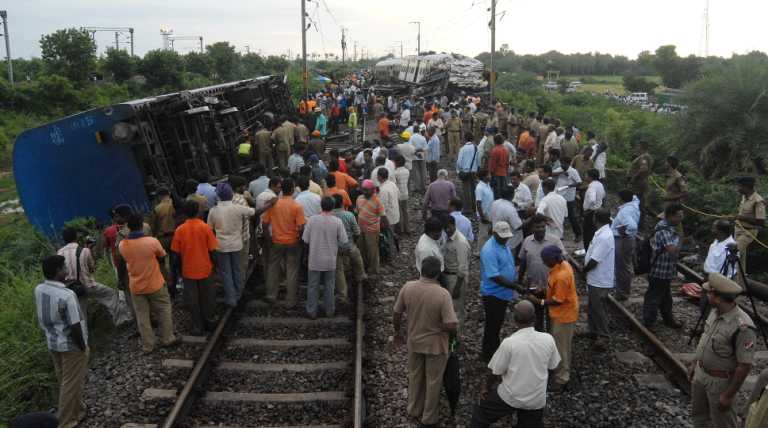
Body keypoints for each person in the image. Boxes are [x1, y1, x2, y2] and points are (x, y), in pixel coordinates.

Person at [470, 301, 561, 428]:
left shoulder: (510, 343)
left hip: (511, 396)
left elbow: (495, 372)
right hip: (536, 399)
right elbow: (553, 367)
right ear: (534, 318)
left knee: (481, 414)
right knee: (531, 422)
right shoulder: (548, 339)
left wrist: (486, 388)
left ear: (515, 320)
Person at [393, 256, 458, 427]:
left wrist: (397, 332)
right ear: (438, 273)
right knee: (433, 381)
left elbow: (397, 313)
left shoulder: (408, 287)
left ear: (421, 270)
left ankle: (414, 409)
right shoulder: (443, 294)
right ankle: (429, 417)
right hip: (436, 346)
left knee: (415, 376)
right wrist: (453, 339)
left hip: (414, 342)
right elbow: (451, 324)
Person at [688, 273, 756, 428]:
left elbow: (744, 365)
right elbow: (704, 339)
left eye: (709, 293)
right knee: (699, 418)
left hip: (719, 383)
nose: (706, 294)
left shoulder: (743, 327)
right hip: (701, 374)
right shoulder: (714, 312)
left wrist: (728, 395)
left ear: (718, 298)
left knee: (723, 423)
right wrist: (694, 364)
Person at [34, 255, 89, 428]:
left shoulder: (39, 289)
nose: (67, 270)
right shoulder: (67, 295)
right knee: (70, 384)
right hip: (71, 345)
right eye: (64, 268)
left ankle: (79, 411)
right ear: (58, 272)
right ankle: (65, 422)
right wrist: (82, 346)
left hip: (53, 343)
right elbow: (75, 325)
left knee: (67, 381)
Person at [118, 214, 178, 353]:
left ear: (128, 227)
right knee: (163, 309)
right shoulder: (152, 241)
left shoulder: (122, 245)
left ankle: (148, 346)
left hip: (136, 286)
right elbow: (162, 257)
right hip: (155, 283)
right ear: (142, 225)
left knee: (142, 316)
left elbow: (122, 261)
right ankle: (168, 338)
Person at [527, 245, 578, 392]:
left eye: (545, 260)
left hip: (564, 315)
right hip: (559, 313)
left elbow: (559, 300)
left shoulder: (562, 275)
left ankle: (562, 378)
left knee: (562, 347)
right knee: (558, 344)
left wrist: (539, 301)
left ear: (552, 259)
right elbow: (554, 289)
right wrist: (543, 291)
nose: (543, 263)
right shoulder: (561, 265)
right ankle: (556, 370)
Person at [171, 200, 219, 335]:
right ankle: (210, 321)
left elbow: (175, 254)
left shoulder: (179, 230)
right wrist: (216, 266)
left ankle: (197, 327)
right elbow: (213, 250)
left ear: (185, 213)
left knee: (193, 300)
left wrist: (179, 271)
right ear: (198, 211)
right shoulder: (205, 227)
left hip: (188, 271)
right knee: (208, 297)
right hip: (205, 269)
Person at [479, 222, 525, 362]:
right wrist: (515, 286)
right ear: (494, 234)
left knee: (497, 323)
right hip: (493, 294)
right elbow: (494, 276)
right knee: (492, 324)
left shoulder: (502, 243)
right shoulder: (489, 250)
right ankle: (489, 353)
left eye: (506, 236)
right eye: (502, 236)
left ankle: (493, 348)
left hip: (503, 293)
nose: (505, 239)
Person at [207, 183, 257, 307]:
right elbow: (253, 211)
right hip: (237, 245)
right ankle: (238, 294)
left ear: (218, 195)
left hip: (221, 246)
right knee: (238, 269)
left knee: (225, 272)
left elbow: (209, 229)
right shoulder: (237, 208)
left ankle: (231, 298)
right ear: (230, 195)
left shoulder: (213, 211)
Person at [262, 177, 307, 308]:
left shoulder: (274, 204)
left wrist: (268, 239)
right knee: (292, 269)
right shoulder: (297, 206)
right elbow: (301, 227)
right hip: (293, 241)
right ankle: (290, 300)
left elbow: (265, 224)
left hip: (276, 241)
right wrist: (299, 239)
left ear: (281, 189)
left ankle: (271, 295)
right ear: (293, 189)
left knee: (273, 267)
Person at [518, 215, 566, 331]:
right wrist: (519, 279)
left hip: (552, 287)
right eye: (537, 227)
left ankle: (550, 338)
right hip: (534, 287)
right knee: (536, 317)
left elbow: (564, 261)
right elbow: (523, 261)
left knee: (552, 317)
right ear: (532, 228)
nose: (540, 229)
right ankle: (539, 337)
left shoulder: (554, 241)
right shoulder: (527, 241)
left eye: (543, 226)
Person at [303, 197, 348, 319]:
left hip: (314, 259)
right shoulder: (337, 221)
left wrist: (307, 255)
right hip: (330, 260)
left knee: (313, 286)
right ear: (333, 207)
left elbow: (305, 240)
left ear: (321, 206)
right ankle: (329, 311)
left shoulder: (312, 220)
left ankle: (311, 311)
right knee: (329, 286)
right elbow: (344, 241)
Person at [643, 203, 685, 329]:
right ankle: (649, 322)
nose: (680, 219)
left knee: (666, 297)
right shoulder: (663, 230)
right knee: (654, 297)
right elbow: (673, 251)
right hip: (659, 270)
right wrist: (681, 239)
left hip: (665, 270)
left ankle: (668, 319)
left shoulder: (669, 228)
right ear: (670, 216)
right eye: (678, 216)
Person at [582, 209, 615, 350]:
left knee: (598, 308)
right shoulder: (602, 233)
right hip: (595, 278)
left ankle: (603, 335)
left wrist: (583, 270)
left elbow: (595, 260)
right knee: (592, 306)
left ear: (596, 220)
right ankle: (593, 330)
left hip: (599, 279)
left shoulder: (604, 236)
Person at [332, 194, 366, 304]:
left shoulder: (330, 216)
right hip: (348, 245)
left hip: (335, 248)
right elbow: (357, 232)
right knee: (357, 257)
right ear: (342, 203)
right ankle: (361, 276)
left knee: (338, 271)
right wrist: (354, 242)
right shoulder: (349, 215)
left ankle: (342, 295)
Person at [442, 215, 471, 330]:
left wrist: (457, 287)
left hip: (456, 279)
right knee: (450, 309)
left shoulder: (461, 242)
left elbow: (463, 267)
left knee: (457, 311)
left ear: (454, 225)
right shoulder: (447, 237)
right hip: (448, 276)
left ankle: (455, 342)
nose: (447, 230)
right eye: (445, 228)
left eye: (449, 227)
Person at [611, 190, 641, 301]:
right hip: (628, 239)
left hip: (623, 239)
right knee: (625, 265)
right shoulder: (634, 204)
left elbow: (632, 226)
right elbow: (635, 197)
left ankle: (622, 293)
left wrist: (623, 232)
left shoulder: (625, 211)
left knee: (621, 267)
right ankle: (624, 290)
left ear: (622, 199)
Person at [732, 176, 765, 271]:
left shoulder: (758, 201)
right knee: (741, 261)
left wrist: (740, 217)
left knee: (734, 253)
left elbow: (760, 221)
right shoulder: (744, 197)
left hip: (748, 232)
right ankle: (740, 283)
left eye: (739, 186)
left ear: (747, 187)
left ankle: (729, 280)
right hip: (738, 230)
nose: (738, 188)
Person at [149, 188, 177, 297]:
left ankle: (170, 285)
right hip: (175, 236)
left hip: (162, 239)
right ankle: (179, 281)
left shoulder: (157, 208)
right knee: (176, 261)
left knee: (162, 263)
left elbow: (153, 226)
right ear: (169, 194)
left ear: (159, 196)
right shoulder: (176, 204)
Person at [356, 179, 387, 275]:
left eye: (367, 190)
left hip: (372, 230)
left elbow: (383, 216)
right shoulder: (359, 199)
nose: (364, 191)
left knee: (372, 251)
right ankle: (365, 267)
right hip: (361, 229)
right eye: (363, 189)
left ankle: (374, 270)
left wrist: (385, 228)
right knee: (362, 249)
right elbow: (358, 212)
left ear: (373, 190)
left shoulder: (377, 201)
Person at [553, 156, 582, 240]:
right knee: (559, 215)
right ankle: (560, 234)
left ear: (568, 164)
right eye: (561, 163)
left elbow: (579, 182)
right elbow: (551, 173)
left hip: (569, 197)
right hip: (559, 195)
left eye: (563, 163)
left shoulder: (573, 171)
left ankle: (578, 234)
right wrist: (560, 173)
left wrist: (569, 186)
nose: (561, 165)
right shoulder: (560, 169)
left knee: (571, 216)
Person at [490, 185, 524, 252]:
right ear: (513, 195)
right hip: (510, 242)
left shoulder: (495, 203)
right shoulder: (510, 209)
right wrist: (530, 219)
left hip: (497, 236)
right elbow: (518, 226)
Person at [628, 141, 653, 227]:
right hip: (641, 182)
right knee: (639, 202)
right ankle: (639, 222)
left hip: (638, 183)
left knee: (636, 202)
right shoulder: (645, 156)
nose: (636, 148)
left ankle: (637, 222)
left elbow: (643, 168)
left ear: (641, 147)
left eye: (637, 146)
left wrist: (634, 177)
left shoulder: (644, 157)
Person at [581, 168, 605, 249]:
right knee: (594, 232)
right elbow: (603, 196)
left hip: (590, 213)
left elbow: (592, 200)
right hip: (598, 211)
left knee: (587, 234)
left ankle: (588, 251)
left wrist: (588, 210)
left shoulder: (592, 186)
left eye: (586, 175)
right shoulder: (600, 184)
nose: (585, 177)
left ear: (590, 177)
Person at [457, 132, 480, 214]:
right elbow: (478, 161)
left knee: (466, 191)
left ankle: (467, 208)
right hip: (473, 172)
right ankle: (475, 207)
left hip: (465, 172)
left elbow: (459, 162)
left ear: (465, 139)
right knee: (474, 190)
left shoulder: (462, 149)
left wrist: (459, 170)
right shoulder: (476, 148)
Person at [475, 170, 494, 253]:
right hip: (484, 214)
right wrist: (482, 216)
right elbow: (478, 204)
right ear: (483, 177)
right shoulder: (479, 188)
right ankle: (480, 251)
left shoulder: (487, 185)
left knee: (489, 233)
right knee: (483, 234)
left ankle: (486, 250)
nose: (490, 176)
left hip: (490, 213)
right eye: (488, 174)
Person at [377, 168, 401, 233]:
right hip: (395, 213)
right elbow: (399, 196)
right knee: (392, 232)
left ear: (379, 177)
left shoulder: (383, 190)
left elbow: (383, 207)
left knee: (389, 234)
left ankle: (392, 242)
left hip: (388, 217)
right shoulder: (392, 184)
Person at [488, 134, 510, 198]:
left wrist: (490, 173)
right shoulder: (506, 150)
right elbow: (507, 163)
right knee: (503, 191)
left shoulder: (495, 150)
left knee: (496, 192)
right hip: (504, 173)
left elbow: (493, 164)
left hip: (496, 173)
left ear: (495, 141)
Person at [393, 155, 411, 235]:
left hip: (398, 195)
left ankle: (401, 229)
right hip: (405, 193)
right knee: (405, 212)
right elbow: (408, 183)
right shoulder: (407, 171)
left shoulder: (395, 172)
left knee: (399, 212)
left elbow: (395, 184)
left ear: (396, 163)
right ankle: (408, 228)